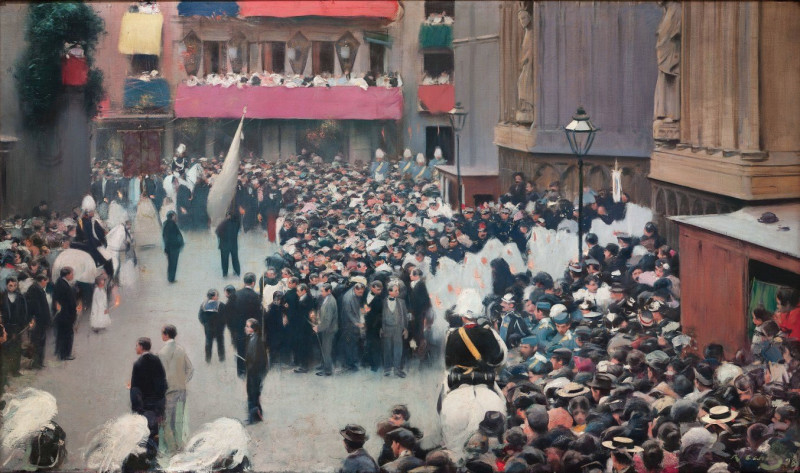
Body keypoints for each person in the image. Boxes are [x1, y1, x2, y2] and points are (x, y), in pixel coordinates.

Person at [157, 324, 194, 454]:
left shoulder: (161, 353)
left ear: (166, 335)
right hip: (181, 390)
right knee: (179, 419)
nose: (161, 336)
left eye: (162, 333)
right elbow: (190, 369)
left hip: (169, 391)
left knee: (167, 421)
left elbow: (159, 376)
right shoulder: (181, 350)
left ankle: (172, 449)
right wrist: (183, 380)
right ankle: (180, 446)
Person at [129, 337, 167, 443]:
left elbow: (135, 389)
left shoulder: (138, 364)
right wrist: (161, 403)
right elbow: (162, 382)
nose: (135, 348)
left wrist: (136, 409)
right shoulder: (157, 361)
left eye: (136, 346)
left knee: (146, 434)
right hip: (157, 404)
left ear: (141, 347)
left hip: (145, 406)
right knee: (156, 433)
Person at [234, 273, 262, 378]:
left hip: (239, 328)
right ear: (253, 283)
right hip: (251, 328)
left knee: (240, 349)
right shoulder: (255, 296)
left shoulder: (236, 294)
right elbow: (258, 315)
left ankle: (241, 372)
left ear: (244, 282)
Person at [1, 276, 30, 377]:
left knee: (17, 349)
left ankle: (15, 370)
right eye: (10, 285)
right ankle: (5, 371)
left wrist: (23, 325)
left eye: (14, 285)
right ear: (6, 285)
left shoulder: (20, 297)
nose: (12, 287)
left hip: (17, 327)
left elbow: (25, 312)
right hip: (5, 327)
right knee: (5, 349)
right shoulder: (2, 297)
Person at [381, 280, 410, 378]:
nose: (398, 292)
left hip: (398, 328)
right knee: (387, 348)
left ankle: (397, 369)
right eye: (396, 291)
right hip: (387, 328)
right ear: (389, 292)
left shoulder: (401, 302)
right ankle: (387, 369)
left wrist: (405, 329)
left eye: (398, 290)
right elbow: (380, 316)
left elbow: (405, 317)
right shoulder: (383, 301)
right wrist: (381, 328)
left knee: (398, 349)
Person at [244, 318, 268, 424]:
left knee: (253, 394)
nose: (246, 328)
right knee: (254, 394)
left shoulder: (256, 340)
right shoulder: (253, 338)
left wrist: (249, 365)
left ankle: (253, 418)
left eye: (248, 326)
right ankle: (256, 416)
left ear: (253, 329)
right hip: (254, 372)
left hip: (254, 372)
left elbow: (256, 359)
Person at [25, 274, 51, 369]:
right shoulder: (35, 289)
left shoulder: (37, 288)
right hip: (38, 321)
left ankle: (39, 362)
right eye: (45, 281)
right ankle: (36, 363)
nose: (46, 283)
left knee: (40, 342)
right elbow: (36, 307)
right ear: (42, 281)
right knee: (37, 342)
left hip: (40, 321)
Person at [53, 267, 78, 361]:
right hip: (65, 315)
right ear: (67, 275)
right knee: (67, 334)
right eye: (72, 274)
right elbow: (69, 301)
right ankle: (65, 354)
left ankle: (61, 353)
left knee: (62, 334)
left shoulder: (60, 282)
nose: (73, 275)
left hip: (63, 315)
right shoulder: (63, 285)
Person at [314, 283, 338, 377]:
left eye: (323, 291)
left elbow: (328, 321)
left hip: (329, 329)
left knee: (326, 350)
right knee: (324, 349)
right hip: (326, 329)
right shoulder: (327, 298)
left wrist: (318, 328)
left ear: (329, 291)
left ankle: (327, 370)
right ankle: (324, 365)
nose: (321, 293)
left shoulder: (330, 302)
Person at [198, 289, 225, 363]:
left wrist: (205, 324)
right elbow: (225, 317)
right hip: (218, 329)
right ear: (214, 297)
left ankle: (208, 359)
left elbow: (200, 317)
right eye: (217, 295)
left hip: (208, 329)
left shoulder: (203, 305)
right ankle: (221, 358)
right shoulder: (221, 305)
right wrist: (222, 325)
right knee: (220, 343)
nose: (218, 296)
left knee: (208, 343)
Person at [215, 211, 241, 278]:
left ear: (227, 216)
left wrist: (222, 237)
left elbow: (217, 232)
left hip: (224, 245)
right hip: (234, 245)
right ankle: (237, 273)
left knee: (224, 260)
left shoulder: (223, 223)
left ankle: (225, 274)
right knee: (235, 259)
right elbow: (238, 230)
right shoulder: (236, 223)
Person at [162, 211, 184, 283]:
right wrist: (179, 243)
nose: (176, 218)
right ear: (172, 216)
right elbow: (174, 237)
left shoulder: (167, 225)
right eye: (175, 216)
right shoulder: (172, 225)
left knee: (171, 263)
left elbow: (165, 237)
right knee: (173, 264)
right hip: (173, 247)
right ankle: (171, 279)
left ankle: (171, 278)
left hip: (169, 248)